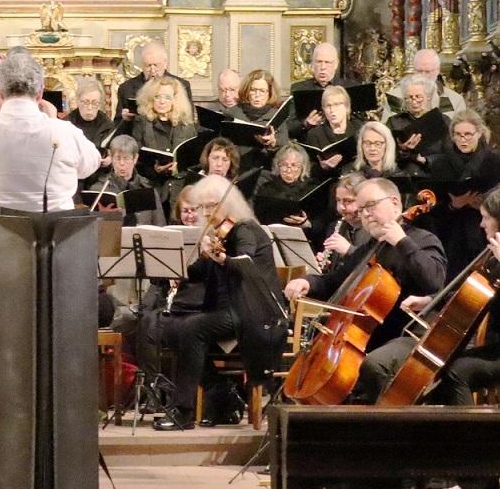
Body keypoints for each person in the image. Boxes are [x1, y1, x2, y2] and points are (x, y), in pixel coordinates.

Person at [0, 48, 101, 349]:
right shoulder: (62, 132)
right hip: (54, 254)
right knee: (52, 339)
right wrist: (56, 120)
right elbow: (90, 163)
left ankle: (4, 392)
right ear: (40, 92)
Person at [354, 183, 500, 405]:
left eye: (486, 217)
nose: (481, 223)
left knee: (458, 371)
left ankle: (467, 436)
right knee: (442, 373)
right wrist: (431, 300)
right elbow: (472, 293)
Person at [154, 175, 286, 430]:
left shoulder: (246, 229)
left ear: (230, 203)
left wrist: (222, 257)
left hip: (254, 311)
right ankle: (222, 394)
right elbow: (200, 271)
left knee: (192, 328)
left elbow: (245, 264)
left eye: (212, 205)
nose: (207, 212)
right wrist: (172, 269)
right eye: (203, 207)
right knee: (169, 327)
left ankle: (183, 411)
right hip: (229, 309)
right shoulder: (219, 234)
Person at [283, 177, 446, 362]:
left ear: (394, 203)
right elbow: (336, 280)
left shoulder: (423, 239)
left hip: (404, 336)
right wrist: (307, 282)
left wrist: (402, 242)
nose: (366, 214)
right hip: (365, 337)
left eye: (371, 205)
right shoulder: (372, 247)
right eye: (361, 210)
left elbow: (434, 282)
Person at [427, 110, 500, 276]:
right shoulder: (440, 165)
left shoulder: (499, 164)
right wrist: (453, 205)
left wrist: (485, 205)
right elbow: (431, 207)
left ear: (479, 133)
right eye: (458, 135)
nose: (463, 139)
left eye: (468, 134)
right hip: (450, 237)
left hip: (485, 236)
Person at [82, 135, 166, 227]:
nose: (121, 163)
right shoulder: (98, 190)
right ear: (112, 159)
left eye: (126, 158)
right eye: (117, 158)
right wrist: (101, 216)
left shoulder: (148, 190)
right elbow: (89, 229)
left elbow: (160, 227)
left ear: (135, 159)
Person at [130, 75, 199, 184]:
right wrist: (154, 169)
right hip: (151, 184)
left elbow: (196, 162)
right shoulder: (141, 122)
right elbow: (136, 158)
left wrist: (178, 168)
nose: (162, 102)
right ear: (150, 98)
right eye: (157, 96)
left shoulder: (186, 125)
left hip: (180, 186)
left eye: (167, 97)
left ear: (175, 100)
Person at [386, 74, 452, 176]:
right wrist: (403, 150)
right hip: (402, 177)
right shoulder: (394, 122)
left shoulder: (443, 120)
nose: (414, 101)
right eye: (409, 98)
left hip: (433, 177)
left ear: (428, 97)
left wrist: (426, 160)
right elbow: (385, 154)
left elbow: (451, 155)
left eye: (418, 97)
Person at [291, 85, 360, 180]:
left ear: (347, 107)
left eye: (336, 105)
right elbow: (309, 169)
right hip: (327, 182)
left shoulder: (359, 129)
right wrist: (322, 168)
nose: (332, 110)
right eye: (328, 106)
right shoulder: (315, 134)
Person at [115, 41, 193, 121]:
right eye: (148, 66)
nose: (152, 70)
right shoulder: (126, 88)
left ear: (165, 63)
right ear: (142, 65)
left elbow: (190, 119)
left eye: (156, 65)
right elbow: (117, 122)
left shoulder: (182, 85)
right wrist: (124, 119)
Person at [381, 49, 468, 120]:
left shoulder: (454, 100)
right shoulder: (396, 97)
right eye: (419, 71)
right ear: (414, 70)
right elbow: (386, 132)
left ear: (437, 71)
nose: (423, 75)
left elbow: (460, 131)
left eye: (427, 71)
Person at [228, 69, 288, 165]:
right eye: (253, 90)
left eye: (262, 91)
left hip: (266, 171)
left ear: (270, 93)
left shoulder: (277, 115)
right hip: (237, 168)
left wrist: (273, 143)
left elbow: (285, 149)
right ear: (246, 91)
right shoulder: (232, 113)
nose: (257, 95)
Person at [251, 144, 318, 229]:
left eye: (294, 165)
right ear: (278, 166)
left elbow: (320, 223)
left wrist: (307, 224)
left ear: (302, 168)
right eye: (284, 165)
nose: (288, 170)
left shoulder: (312, 189)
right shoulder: (266, 189)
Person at [67, 78, 116, 156]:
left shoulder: (107, 125)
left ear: (100, 104)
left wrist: (110, 159)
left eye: (94, 103)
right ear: (78, 101)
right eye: (85, 102)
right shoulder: (67, 124)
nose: (90, 107)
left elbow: (112, 150)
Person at [290, 42, 356, 95]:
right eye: (319, 62)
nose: (323, 67)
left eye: (327, 62)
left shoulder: (351, 88)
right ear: (312, 64)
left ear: (336, 64)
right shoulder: (298, 89)